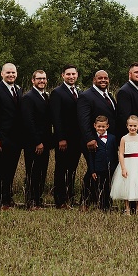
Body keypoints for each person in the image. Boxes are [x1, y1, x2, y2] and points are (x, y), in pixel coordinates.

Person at [77, 70, 118, 209]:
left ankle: (102, 201)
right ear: (94, 80)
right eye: (100, 78)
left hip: (107, 140)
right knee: (93, 170)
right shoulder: (86, 96)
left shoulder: (109, 95)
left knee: (104, 170)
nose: (103, 80)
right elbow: (83, 119)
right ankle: (85, 200)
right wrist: (90, 138)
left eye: (106, 78)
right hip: (94, 141)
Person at [0, 63, 23, 210]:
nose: (11, 75)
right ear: (2, 74)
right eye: (8, 72)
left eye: (13, 72)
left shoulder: (18, 90)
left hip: (16, 138)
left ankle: (8, 198)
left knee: (10, 171)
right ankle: (0, 201)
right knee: (0, 172)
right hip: (2, 139)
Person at [50, 65, 83, 209]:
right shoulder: (57, 92)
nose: (71, 76)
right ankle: (60, 200)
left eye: (73, 74)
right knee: (61, 169)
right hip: (63, 139)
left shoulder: (79, 92)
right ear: (63, 75)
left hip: (77, 139)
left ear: (77, 75)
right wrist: (61, 138)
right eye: (68, 74)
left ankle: (70, 197)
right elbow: (56, 118)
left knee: (72, 169)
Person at [21, 70, 54, 210]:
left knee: (41, 172)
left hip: (45, 142)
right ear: (33, 80)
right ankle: (31, 201)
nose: (42, 81)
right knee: (33, 172)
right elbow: (28, 122)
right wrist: (37, 142)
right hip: (34, 143)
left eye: (44, 78)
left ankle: (38, 199)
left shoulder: (45, 96)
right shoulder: (28, 97)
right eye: (39, 78)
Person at [83, 115, 118, 211]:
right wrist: (92, 170)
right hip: (98, 168)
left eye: (103, 126)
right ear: (94, 126)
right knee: (99, 187)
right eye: (99, 126)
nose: (101, 128)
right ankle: (100, 205)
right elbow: (90, 156)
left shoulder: (112, 138)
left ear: (107, 126)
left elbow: (115, 153)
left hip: (110, 168)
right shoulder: (93, 139)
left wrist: (116, 167)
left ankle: (108, 205)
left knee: (109, 187)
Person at [115, 62, 138, 141]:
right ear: (130, 74)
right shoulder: (124, 91)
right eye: (136, 72)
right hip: (133, 137)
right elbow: (124, 117)